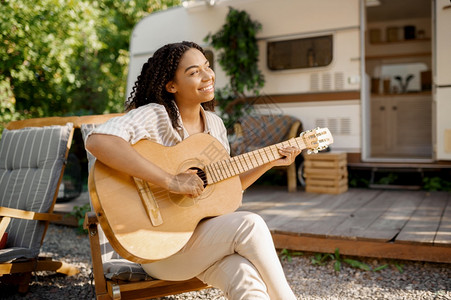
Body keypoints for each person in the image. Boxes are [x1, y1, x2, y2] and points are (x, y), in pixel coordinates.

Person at [86, 41, 300, 299]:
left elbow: (225, 187)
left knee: (246, 279)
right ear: (171, 86)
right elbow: (99, 141)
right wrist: (170, 181)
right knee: (250, 224)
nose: (207, 75)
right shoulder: (154, 115)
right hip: (159, 249)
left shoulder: (214, 124)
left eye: (207, 67)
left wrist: (270, 161)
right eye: (194, 72)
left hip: (202, 242)